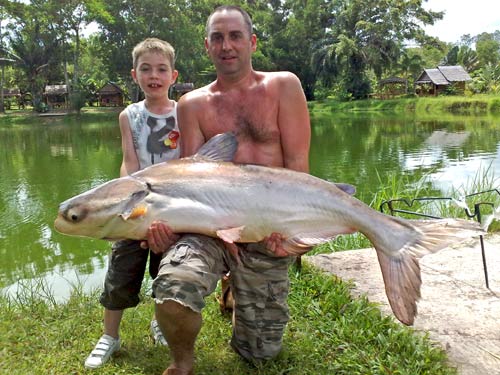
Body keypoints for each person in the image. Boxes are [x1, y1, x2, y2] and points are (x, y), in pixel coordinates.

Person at [149, 6, 311, 375]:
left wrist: (292, 232)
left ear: (251, 42)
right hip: (211, 229)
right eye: (217, 38)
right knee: (174, 284)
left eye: (235, 36)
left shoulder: (284, 86)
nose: (227, 45)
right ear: (207, 46)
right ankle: (183, 362)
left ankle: (236, 290)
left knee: (260, 355)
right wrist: (166, 230)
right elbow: (190, 182)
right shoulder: (192, 105)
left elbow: (299, 168)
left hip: (268, 229)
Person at [84, 37, 181, 369]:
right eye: (146, 69)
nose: (154, 75)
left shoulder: (185, 113)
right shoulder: (129, 115)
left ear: (174, 76)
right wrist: (128, 199)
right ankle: (110, 335)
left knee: (163, 272)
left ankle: (159, 323)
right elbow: (128, 162)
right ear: (134, 74)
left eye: (161, 69)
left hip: (170, 208)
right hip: (134, 207)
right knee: (121, 272)